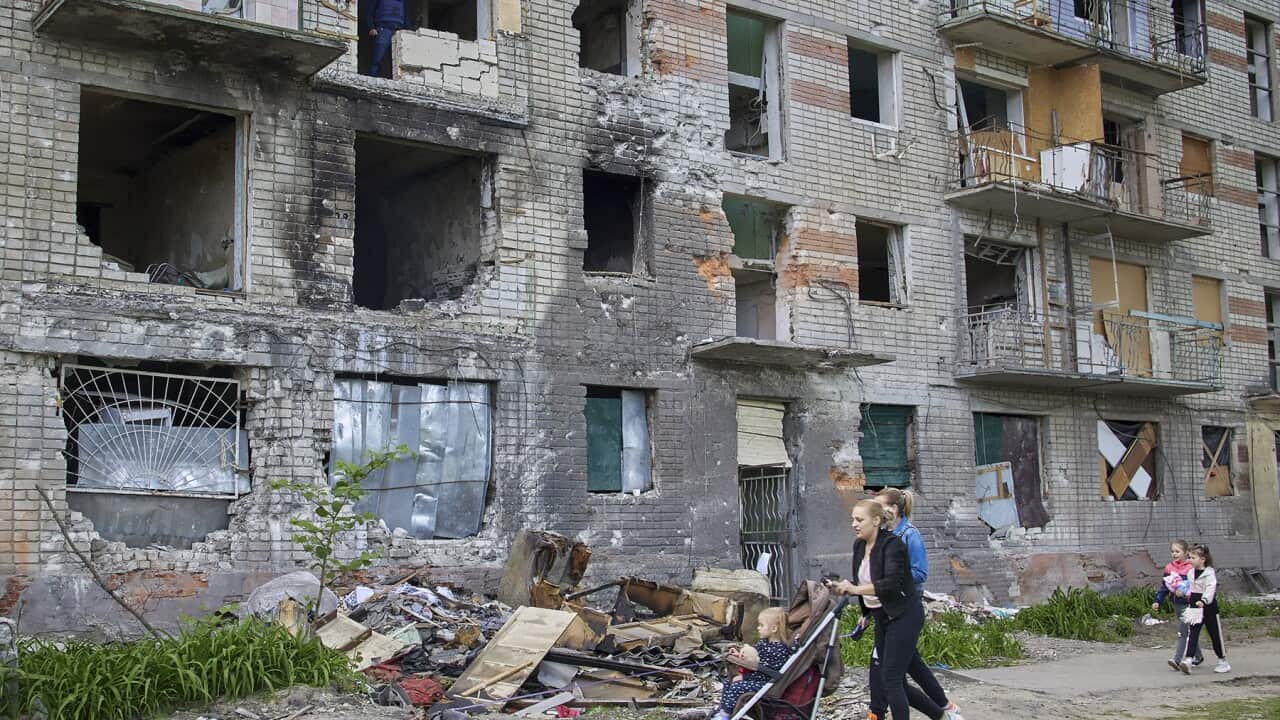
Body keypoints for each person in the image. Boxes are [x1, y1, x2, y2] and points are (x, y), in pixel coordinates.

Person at [866, 489, 963, 720]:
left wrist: (891, 578)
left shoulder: (910, 535)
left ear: (893, 509)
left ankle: (879, 712)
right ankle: (944, 710)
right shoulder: (883, 535)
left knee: (890, 675)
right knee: (907, 667)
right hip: (886, 610)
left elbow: (920, 573)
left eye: (880, 505)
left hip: (905, 608)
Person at [828, 499, 918, 719]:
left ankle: (944, 709)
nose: (854, 524)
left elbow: (891, 584)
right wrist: (863, 610)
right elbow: (864, 581)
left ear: (876, 520)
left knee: (891, 679)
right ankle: (941, 713)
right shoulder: (859, 545)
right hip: (882, 617)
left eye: (859, 520)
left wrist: (855, 589)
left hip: (903, 615)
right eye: (853, 519)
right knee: (897, 677)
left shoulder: (892, 545)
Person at [710, 607, 793, 720]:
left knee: (736, 687)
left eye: (761, 625)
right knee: (728, 682)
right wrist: (739, 654)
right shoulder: (764, 643)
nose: (758, 628)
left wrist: (745, 677)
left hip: (766, 684)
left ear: (774, 628)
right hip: (757, 678)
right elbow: (752, 655)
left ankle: (725, 716)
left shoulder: (779, 650)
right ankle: (723, 710)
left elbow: (767, 672)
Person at [1179, 544, 1230, 674]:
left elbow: (1210, 589)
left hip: (1209, 607)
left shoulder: (1209, 573)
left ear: (1203, 559)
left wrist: (1204, 600)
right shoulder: (1190, 573)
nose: (1190, 560)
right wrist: (1183, 592)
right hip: (1194, 608)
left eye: (1193, 558)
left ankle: (1223, 661)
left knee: (1215, 634)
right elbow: (1190, 588)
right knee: (1193, 633)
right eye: (1189, 557)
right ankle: (1188, 660)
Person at [1153, 539, 1203, 670]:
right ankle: (1198, 656)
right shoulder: (1169, 567)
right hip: (1176, 604)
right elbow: (1165, 586)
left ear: (1186, 553)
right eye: (1172, 551)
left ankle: (1177, 659)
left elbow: (1196, 587)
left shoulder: (1190, 567)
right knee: (1188, 631)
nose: (1174, 554)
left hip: (1189, 604)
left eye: (1177, 551)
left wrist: (1185, 593)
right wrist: (1157, 600)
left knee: (1182, 632)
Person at [360, 0, 407, 77]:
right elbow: (369, 12)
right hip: (383, 29)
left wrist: (407, 32)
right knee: (378, 57)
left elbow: (406, 17)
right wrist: (371, 27)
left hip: (398, 32)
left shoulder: (403, 1)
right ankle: (373, 76)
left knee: (397, 59)